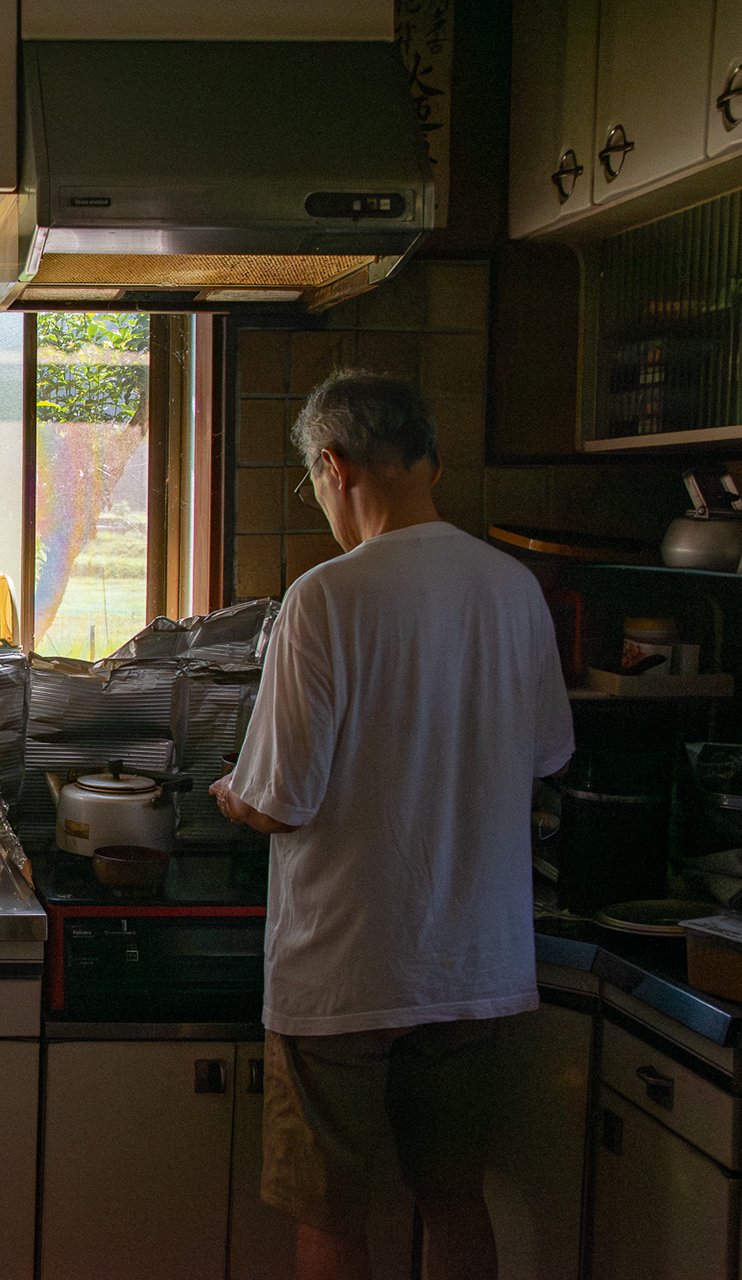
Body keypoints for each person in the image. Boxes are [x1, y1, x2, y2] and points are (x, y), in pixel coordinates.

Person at [208, 372, 572, 1280]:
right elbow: (543, 756)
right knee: (453, 1199)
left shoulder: (328, 597)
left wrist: (227, 793)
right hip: (472, 964)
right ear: (429, 459)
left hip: (346, 971)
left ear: (333, 466)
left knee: (333, 1213)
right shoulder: (515, 588)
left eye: (315, 482)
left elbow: (278, 799)